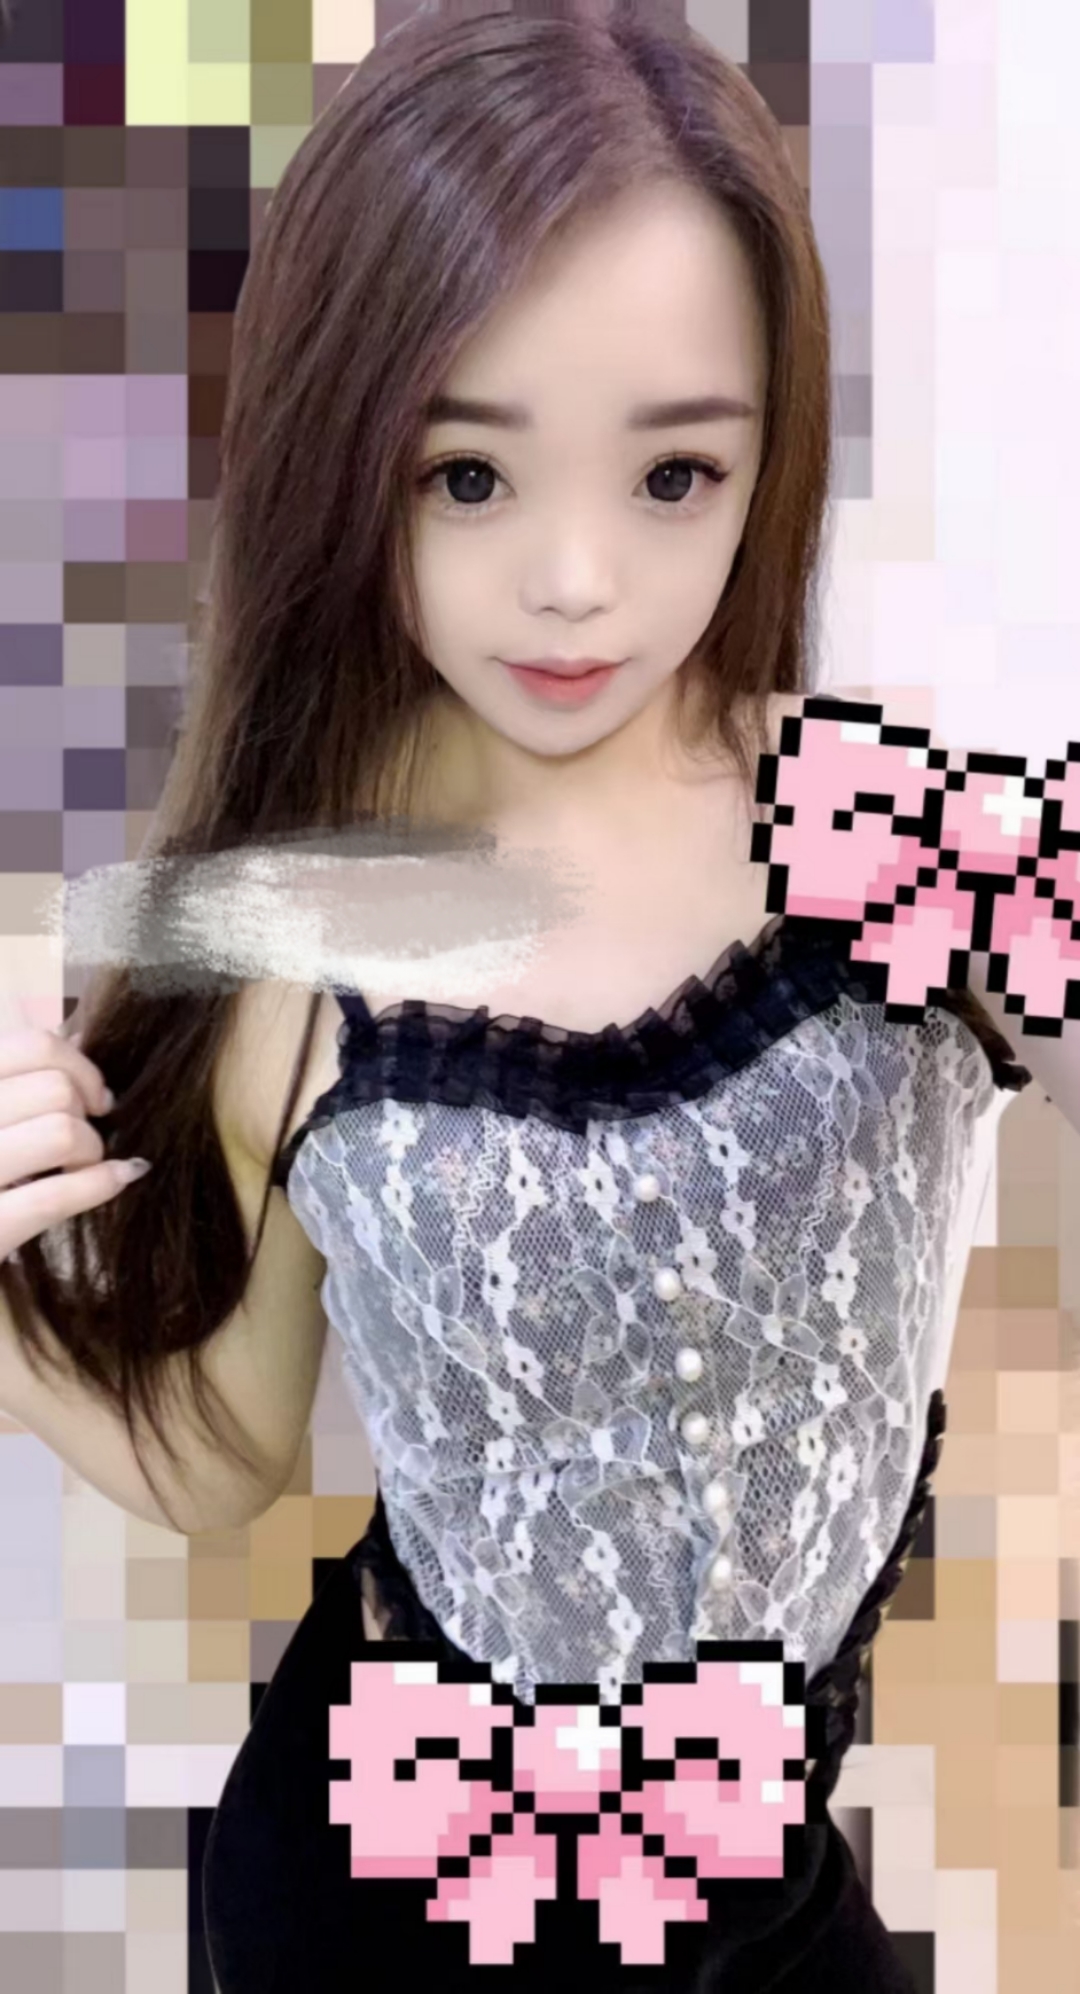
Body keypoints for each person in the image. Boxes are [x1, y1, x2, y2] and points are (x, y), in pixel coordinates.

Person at [0, 11, 1072, 1990]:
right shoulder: (281, 933)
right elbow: (223, 1459)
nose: (576, 580)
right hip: (388, 1893)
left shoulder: (903, 829)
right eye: (469, 476)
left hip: (764, 1872)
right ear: (343, 459)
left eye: (674, 473)